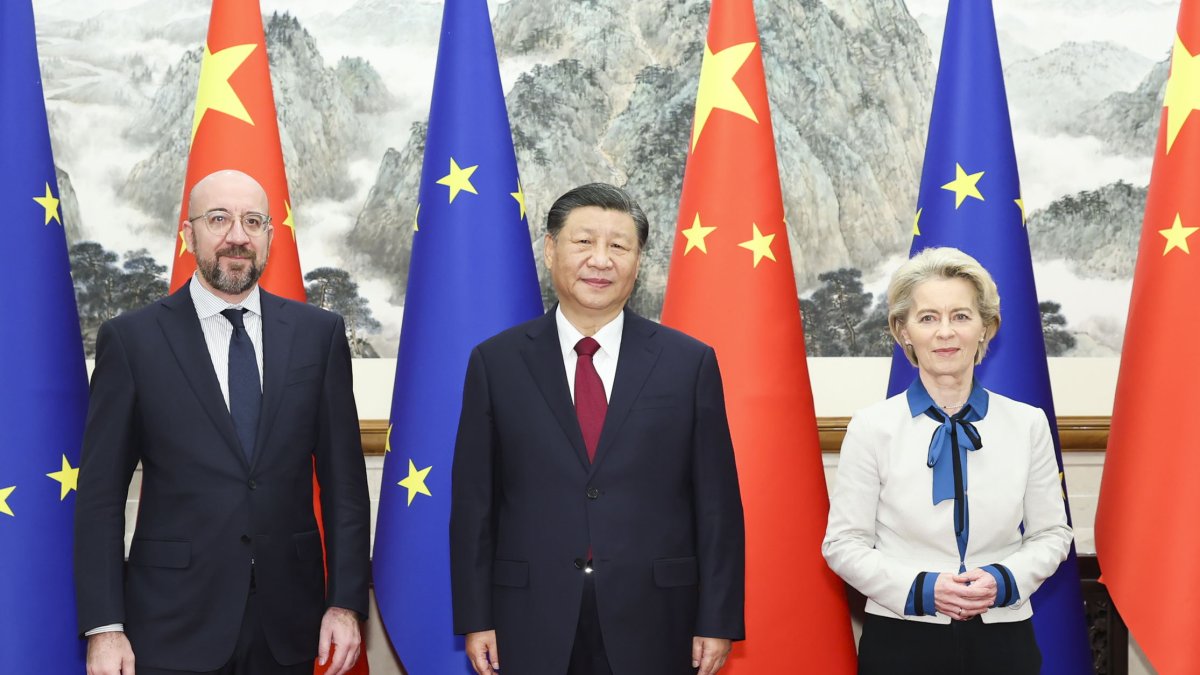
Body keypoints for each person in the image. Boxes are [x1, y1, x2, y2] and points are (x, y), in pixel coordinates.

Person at [74, 169, 370, 675]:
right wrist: (105, 626)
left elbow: (345, 484)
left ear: (270, 237)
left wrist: (344, 604)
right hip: (170, 622)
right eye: (219, 219)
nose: (237, 236)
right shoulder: (132, 341)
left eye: (253, 221)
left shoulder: (318, 336)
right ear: (188, 236)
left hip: (289, 624)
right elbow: (100, 495)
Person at [449, 183, 745, 675]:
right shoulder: (496, 362)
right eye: (584, 242)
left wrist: (717, 619)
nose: (601, 260)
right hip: (529, 617)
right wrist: (477, 617)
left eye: (619, 246)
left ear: (638, 260)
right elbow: (474, 505)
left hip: (657, 618)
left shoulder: (688, 363)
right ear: (550, 249)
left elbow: (717, 505)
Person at [822, 247, 1072, 675]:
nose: (945, 333)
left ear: (985, 329)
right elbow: (843, 545)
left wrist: (1003, 579)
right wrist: (924, 588)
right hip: (901, 636)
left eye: (960, 316)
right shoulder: (871, 427)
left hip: (1004, 637)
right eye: (927, 318)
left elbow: (1053, 534)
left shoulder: (1028, 424)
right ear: (903, 331)